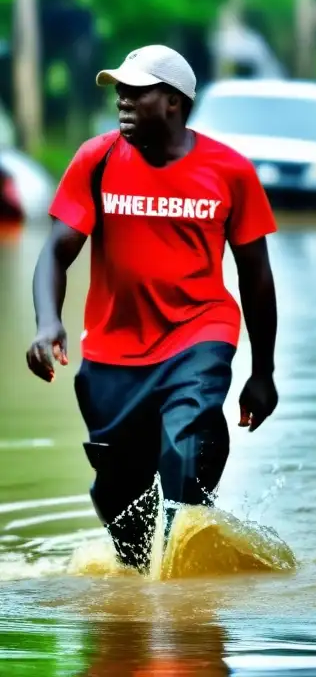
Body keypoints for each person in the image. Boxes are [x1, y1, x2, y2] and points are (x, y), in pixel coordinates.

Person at [24, 45, 280, 572]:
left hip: (199, 332)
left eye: (135, 92)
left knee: (184, 448)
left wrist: (263, 371)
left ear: (172, 102)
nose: (122, 100)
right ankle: (150, 585)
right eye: (120, 90)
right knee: (119, 503)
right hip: (113, 350)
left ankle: (186, 610)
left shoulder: (229, 171)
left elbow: (256, 275)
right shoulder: (96, 159)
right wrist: (48, 321)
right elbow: (55, 251)